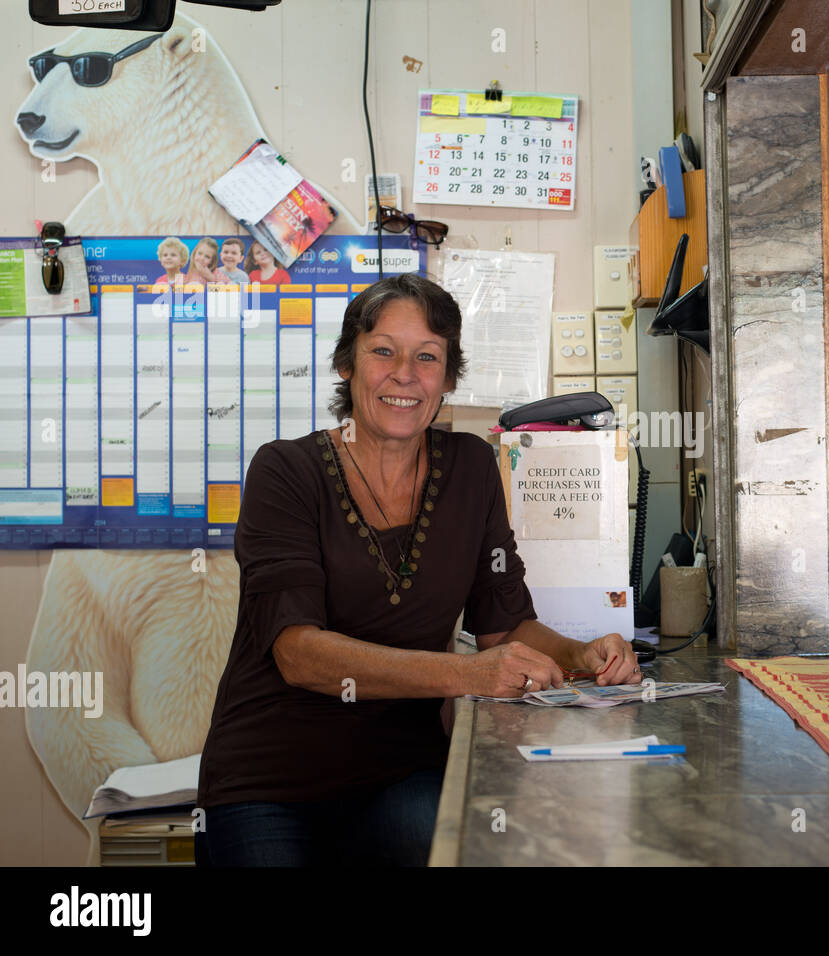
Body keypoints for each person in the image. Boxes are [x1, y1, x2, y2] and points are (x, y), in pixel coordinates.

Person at [195, 273, 640, 867]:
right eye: (384, 351)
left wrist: (580, 655)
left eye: (427, 357)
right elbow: (298, 653)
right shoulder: (285, 471)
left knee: (478, 852)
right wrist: (469, 674)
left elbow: (504, 628)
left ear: (448, 378)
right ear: (347, 365)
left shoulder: (473, 467)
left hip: (399, 772)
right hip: (270, 779)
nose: (405, 374)